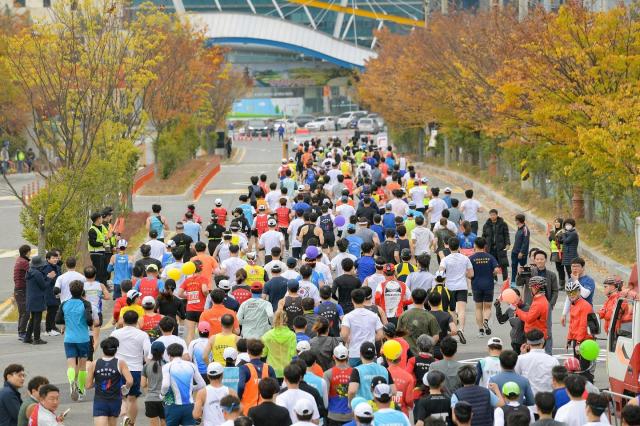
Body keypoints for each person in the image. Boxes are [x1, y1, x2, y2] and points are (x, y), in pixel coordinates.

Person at [110, 311, 151, 426]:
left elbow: (109, 349)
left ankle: (123, 415)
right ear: (137, 321)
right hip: (135, 369)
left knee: (120, 396)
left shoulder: (115, 333)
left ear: (123, 321)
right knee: (132, 398)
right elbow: (148, 351)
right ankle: (130, 422)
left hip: (118, 369)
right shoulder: (142, 335)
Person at [55, 280, 94, 402]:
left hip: (69, 338)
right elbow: (89, 320)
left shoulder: (65, 304)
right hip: (83, 338)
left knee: (71, 364)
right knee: (82, 366)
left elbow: (58, 319)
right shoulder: (86, 304)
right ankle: (81, 391)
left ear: (70, 291)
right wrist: (91, 323)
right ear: (82, 290)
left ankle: (72, 381)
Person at [86, 337, 134, 426]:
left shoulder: (94, 363)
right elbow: (130, 381)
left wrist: (97, 383)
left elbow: (88, 385)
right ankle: (124, 420)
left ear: (103, 350)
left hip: (100, 401)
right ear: (116, 350)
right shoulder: (120, 363)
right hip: (115, 400)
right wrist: (125, 388)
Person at [161, 343, 206, 426]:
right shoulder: (191, 365)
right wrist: (191, 388)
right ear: (182, 353)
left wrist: (162, 395)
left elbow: (165, 385)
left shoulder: (167, 366)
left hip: (173, 406)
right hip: (189, 405)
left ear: (168, 354)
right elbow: (202, 384)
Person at [438, 238, 473, 344]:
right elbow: (471, 275)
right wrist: (464, 274)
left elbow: (440, 274)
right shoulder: (465, 258)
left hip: (449, 287)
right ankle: (461, 329)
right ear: (459, 247)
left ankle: (455, 331)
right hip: (462, 286)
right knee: (462, 310)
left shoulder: (445, 259)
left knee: (452, 310)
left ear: (448, 246)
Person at [562, 280, 596, 382]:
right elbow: (572, 324)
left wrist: (578, 342)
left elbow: (583, 326)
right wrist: (569, 339)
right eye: (569, 293)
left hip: (585, 341)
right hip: (577, 340)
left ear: (579, 291)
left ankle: (588, 389)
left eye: (574, 292)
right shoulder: (573, 304)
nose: (571, 295)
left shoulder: (585, 305)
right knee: (577, 367)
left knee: (585, 368)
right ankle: (580, 388)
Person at [341, 289, 384, 366]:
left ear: (352, 300)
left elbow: (344, 335)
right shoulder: (374, 315)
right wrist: (371, 339)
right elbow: (381, 334)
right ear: (364, 299)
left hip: (354, 353)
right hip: (370, 352)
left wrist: (349, 341)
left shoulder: (347, 317)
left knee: (355, 376)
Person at [469, 237, 499, 337]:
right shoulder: (490, 257)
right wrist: (492, 273)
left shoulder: (471, 258)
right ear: (484, 246)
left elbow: (469, 274)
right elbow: (497, 270)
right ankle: (486, 320)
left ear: (475, 245)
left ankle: (481, 330)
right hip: (488, 285)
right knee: (487, 307)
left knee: (478, 308)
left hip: (476, 285)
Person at [237, 339, 277, 413]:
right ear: (262, 352)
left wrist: (238, 399)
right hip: (265, 410)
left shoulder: (244, 368)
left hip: (247, 410)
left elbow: (241, 386)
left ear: (248, 351)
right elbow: (276, 388)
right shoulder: (269, 368)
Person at [397, 288, 440, 355]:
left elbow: (398, 335)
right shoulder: (430, 317)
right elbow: (436, 337)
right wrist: (427, 348)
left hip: (407, 353)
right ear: (425, 299)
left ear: (412, 298)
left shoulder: (403, 315)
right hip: (425, 355)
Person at [141, 341, 166, 426]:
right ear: (163, 351)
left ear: (151, 352)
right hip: (165, 398)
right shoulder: (166, 365)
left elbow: (143, 384)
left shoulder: (146, 366)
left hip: (150, 399)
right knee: (164, 421)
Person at [13, 245, 31, 341]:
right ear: (27, 252)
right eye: (29, 252)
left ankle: (21, 332)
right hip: (21, 290)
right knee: (26, 312)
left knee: (22, 312)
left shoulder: (20, 260)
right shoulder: (24, 262)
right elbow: (32, 272)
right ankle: (22, 333)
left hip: (19, 290)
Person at [511, 214, 530, 287]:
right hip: (514, 252)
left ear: (518, 220)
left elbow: (526, 242)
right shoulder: (518, 228)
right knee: (514, 267)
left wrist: (521, 252)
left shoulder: (525, 229)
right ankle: (513, 282)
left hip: (521, 253)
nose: (515, 221)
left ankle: (523, 282)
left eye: (516, 220)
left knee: (523, 268)